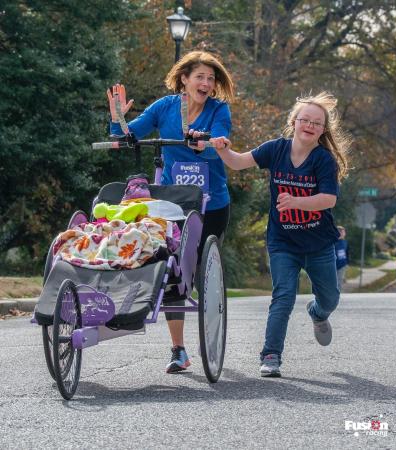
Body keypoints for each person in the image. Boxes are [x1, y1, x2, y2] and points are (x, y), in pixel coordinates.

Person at [107, 51, 235, 373]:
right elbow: (125, 135)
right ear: (184, 79)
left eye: (211, 78)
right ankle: (178, 349)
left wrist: (205, 142)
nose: (206, 83)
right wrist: (118, 117)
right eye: (200, 77)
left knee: (200, 268)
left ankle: (206, 307)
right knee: (174, 272)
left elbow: (218, 140)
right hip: (172, 203)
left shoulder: (218, 109)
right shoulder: (164, 107)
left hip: (212, 202)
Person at [208, 91, 350, 377]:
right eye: (304, 120)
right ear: (293, 122)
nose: (309, 125)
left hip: (319, 243)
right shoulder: (275, 149)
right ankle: (271, 354)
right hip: (282, 241)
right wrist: (222, 149)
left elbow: (328, 200)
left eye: (316, 123)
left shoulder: (323, 160)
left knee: (331, 298)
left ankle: (317, 314)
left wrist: (297, 202)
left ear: (323, 130)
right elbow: (237, 162)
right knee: (283, 296)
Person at [335, 225, 349, 292]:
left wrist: (347, 263)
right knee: (334, 281)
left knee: (339, 280)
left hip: (342, 265)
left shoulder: (345, 242)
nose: (344, 233)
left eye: (344, 232)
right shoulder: (334, 242)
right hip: (334, 265)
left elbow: (346, 253)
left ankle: (338, 294)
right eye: (343, 232)